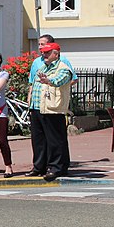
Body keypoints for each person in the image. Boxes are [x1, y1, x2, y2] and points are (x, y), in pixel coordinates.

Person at [28, 43, 72, 181]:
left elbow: (59, 80)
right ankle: (39, 166)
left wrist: (48, 80)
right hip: (37, 108)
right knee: (38, 140)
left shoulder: (63, 68)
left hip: (53, 109)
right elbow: (33, 84)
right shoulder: (42, 67)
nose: (44, 55)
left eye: (47, 52)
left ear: (56, 54)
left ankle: (56, 168)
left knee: (55, 140)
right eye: (43, 52)